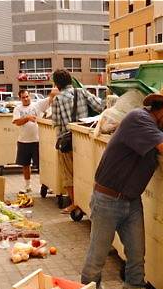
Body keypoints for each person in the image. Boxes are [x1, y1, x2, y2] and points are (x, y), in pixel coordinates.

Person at [81, 85, 163, 289]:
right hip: (108, 199)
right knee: (97, 256)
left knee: (136, 257)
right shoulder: (139, 118)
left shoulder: (162, 129)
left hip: (132, 200)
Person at [51, 69, 104, 213]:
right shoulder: (82, 92)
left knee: (68, 173)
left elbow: (55, 122)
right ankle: (88, 202)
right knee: (85, 172)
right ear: (70, 80)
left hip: (66, 141)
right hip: (85, 139)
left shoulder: (57, 99)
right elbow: (100, 106)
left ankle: (75, 203)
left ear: (57, 83)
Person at [12, 88, 58, 192]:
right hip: (23, 141)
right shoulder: (17, 109)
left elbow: (51, 97)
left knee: (42, 165)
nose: (26, 99)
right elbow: (17, 122)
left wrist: (56, 90)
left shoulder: (37, 105)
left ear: (30, 96)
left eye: (27, 96)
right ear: (20, 98)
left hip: (37, 141)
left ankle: (47, 184)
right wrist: (28, 118)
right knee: (25, 165)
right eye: (23, 97)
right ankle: (27, 186)